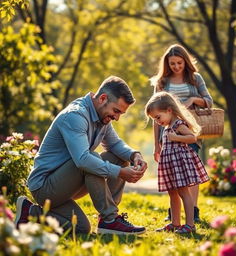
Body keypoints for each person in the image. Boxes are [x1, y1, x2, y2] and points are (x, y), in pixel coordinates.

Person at [14, 76, 147, 235]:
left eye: (120, 114)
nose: (117, 118)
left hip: (67, 185)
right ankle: (110, 219)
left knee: (82, 228)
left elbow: (115, 144)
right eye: (116, 111)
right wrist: (119, 172)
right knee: (90, 159)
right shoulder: (76, 116)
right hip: (45, 187)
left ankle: (29, 212)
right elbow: (83, 160)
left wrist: (135, 155)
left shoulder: (102, 117)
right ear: (103, 98)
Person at [150, 44, 213, 222]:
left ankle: (192, 211)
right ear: (167, 64)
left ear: (185, 61)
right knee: (173, 172)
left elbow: (209, 101)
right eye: (172, 64)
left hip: (188, 129)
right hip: (167, 132)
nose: (176, 67)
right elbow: (155, 113)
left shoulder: (195, 78)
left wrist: (193, 99)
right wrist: (156, 144)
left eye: (179, 63)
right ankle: (175, 214)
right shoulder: (162, 82)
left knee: (190, 173)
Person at [145, 91, 209, 233]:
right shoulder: (167, 126)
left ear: (169, 110)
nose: (157, 122)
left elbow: (192, 138)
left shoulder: (178, 124)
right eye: (154, 120)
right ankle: (175, 223)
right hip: (170, 164)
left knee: (184, 193)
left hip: (179, 163)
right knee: (172, 193)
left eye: (158, 117)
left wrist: (177, 138)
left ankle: (190, 225)